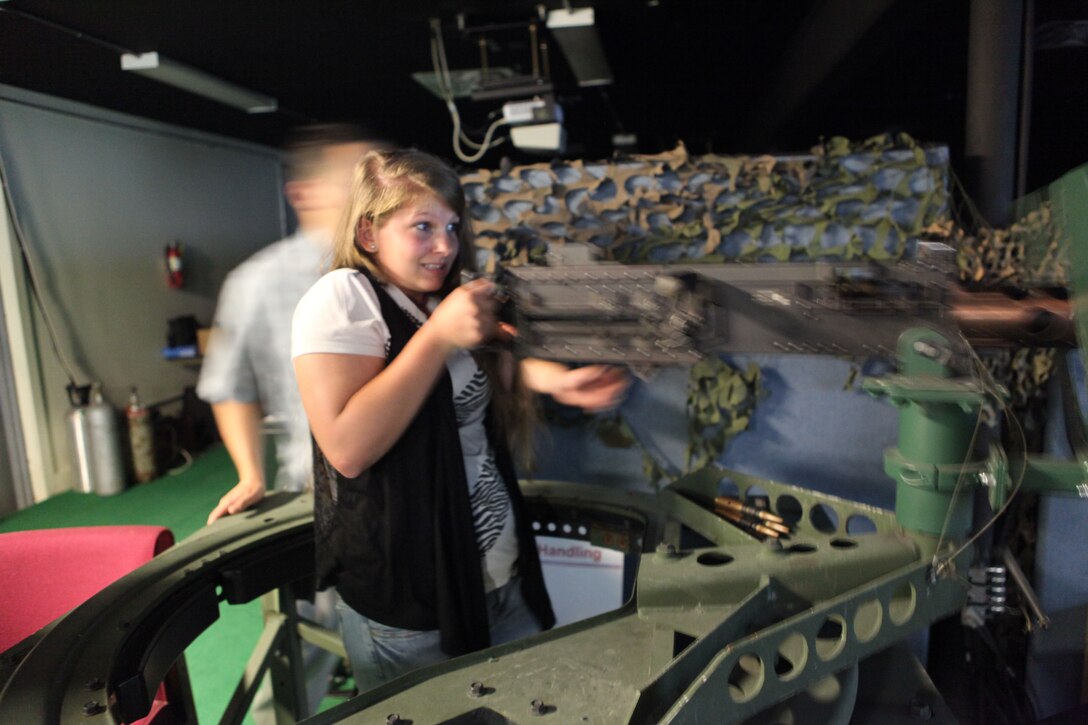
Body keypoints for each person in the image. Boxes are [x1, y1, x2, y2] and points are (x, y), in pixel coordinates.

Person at [291, 148, 629, 686]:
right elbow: (348, 448)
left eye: (451, 225)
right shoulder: (344, 298)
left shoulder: (444, 294)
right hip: (412, 596)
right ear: (369, 233)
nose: (445, 245)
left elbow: (481, 371)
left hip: (499, 572)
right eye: (422, 226)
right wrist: (439, 334)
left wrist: (557, 381)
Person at [197, 124, 383, 718]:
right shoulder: (258, 281)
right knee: (310, 634)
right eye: (352, 184)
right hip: (319, 489)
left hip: (405, 480)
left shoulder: (393, 261)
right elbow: (230, 385)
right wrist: (251, 473)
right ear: (303, 194)